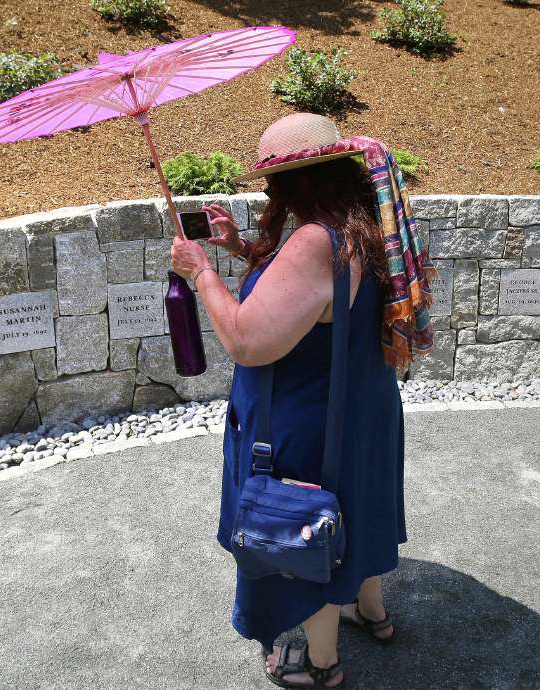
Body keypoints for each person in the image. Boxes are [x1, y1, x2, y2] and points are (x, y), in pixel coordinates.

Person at [169, 113, 436, 689]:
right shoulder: (364, 226)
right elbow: (313, 300)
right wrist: (241, 249)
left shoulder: (314, 243)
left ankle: (322, 665)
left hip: (310, 420)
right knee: (355, 509)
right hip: (361, 408)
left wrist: (201, 275)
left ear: (294, 182)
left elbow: (248, 342)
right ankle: (373, 613)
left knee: (304, 531)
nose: (270, 193)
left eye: (273, 183)